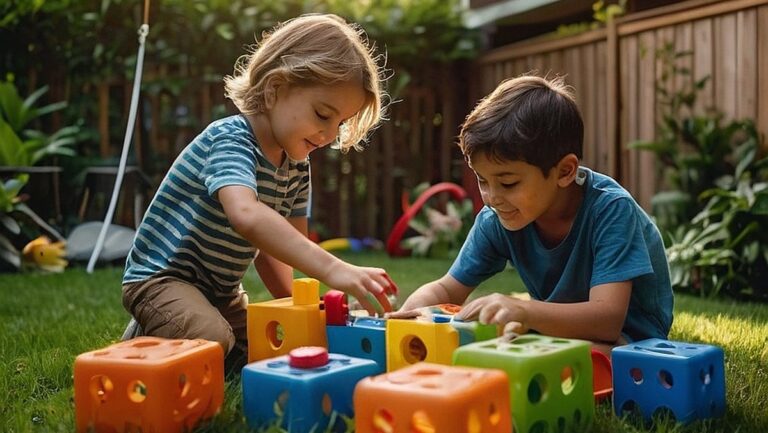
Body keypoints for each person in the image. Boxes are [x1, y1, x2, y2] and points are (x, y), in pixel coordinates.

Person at [120, 14, 396, 373]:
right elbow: (246, 215)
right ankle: (145, 334)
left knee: (269, 348)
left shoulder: (297, 164)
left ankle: (183, 327)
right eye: (322, 114)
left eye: (340, 123)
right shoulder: (230, 139)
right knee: (211, 339)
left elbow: (282, 247)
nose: (329, 134)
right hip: (163, 280)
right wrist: (336, 268)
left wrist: (301, 311)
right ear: (275, 88)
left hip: (220, 294)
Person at [396, 75, 673, 355]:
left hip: (631, 339)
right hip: (553, 331)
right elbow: (446, 290)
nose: (491, 197)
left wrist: (523, 311)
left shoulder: (610, 210)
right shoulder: (497, 219)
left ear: (565, 171)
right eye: (482, 180)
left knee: (557, 355)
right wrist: (409, 319)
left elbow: (607, 321)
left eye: (508, 183)